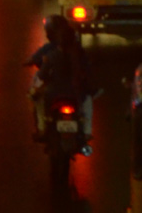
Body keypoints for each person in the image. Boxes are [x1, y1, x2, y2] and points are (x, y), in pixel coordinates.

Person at [26, 15, 93, 148]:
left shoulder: (52, 54)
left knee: (36, 98)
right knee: (88, 101)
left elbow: (42, 75)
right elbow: (87, 71)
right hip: (76, 93)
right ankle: (87, 132)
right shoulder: (79, 53)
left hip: (54, 92)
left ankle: (42, 129)